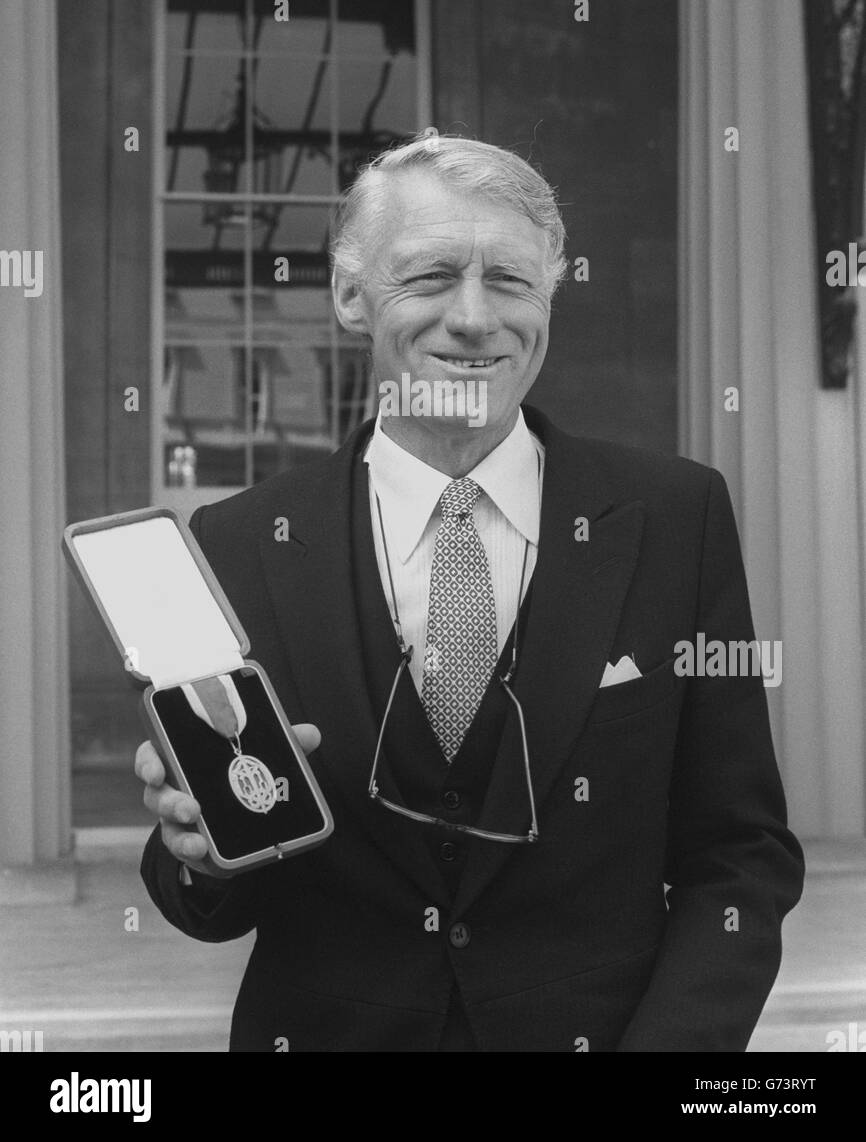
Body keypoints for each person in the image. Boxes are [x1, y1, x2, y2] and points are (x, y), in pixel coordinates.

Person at [138, 134, 804, 1052]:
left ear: (550, 298)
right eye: (431, 277)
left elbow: (738, 855)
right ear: (348, 296)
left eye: (512, 282)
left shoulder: (676, 518)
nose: (475, 317)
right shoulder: (238, 544)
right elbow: (211, 902)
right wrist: (207, 857)